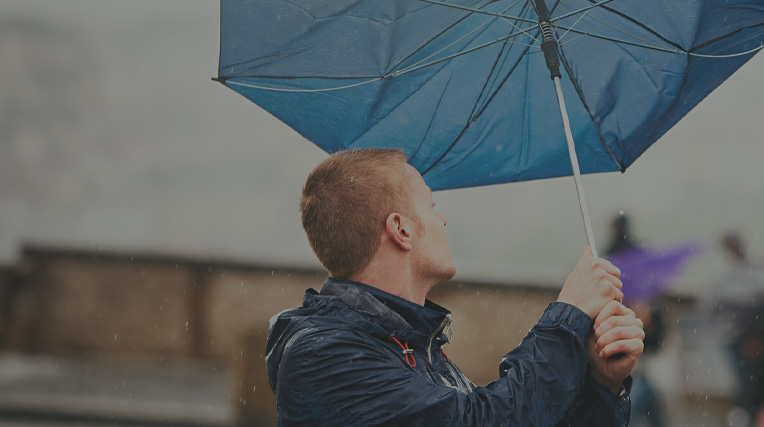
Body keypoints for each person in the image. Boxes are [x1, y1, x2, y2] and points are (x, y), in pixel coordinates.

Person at [266, 148, 644, 426]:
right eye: (432, 206)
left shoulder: (410, 346)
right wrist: (569, 315)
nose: (442, 219)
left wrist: (599, 383)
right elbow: (485, 422)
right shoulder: (324, 355)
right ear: (401, 229)